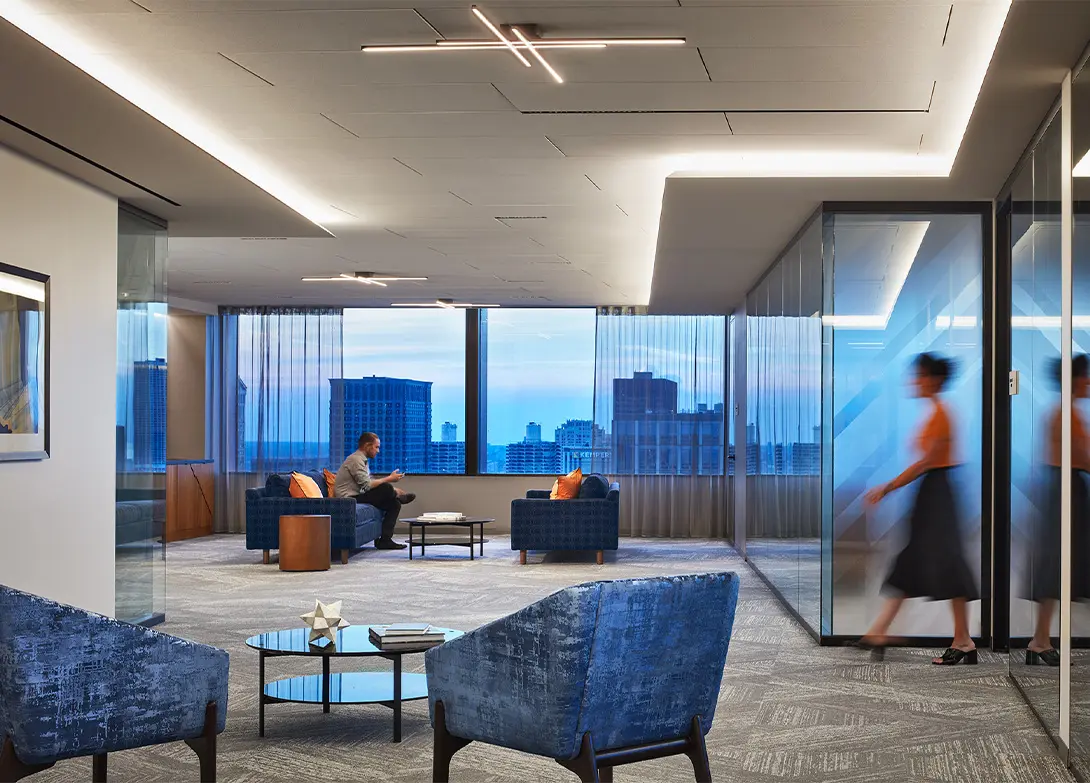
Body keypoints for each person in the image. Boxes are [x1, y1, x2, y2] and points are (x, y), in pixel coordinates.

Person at [859, 353, 980, 665]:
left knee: (946, 563)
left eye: (920, 375)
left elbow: (925, 463)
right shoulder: (935, 413)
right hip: (931, 494)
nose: (915, 381)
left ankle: (962, 640)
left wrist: (887, 488)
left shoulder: (941, 414)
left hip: (937, 495)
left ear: (935, 380)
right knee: (913, 561)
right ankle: (881, 630)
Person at [1026, 355, 1090, 666]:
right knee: (1059, 564)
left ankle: (1040, 639)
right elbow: (1082, 457)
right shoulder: (1067, 415)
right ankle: (1040, 639)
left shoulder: (1063, 412)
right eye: (1085, 375)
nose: (1089, 381)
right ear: (1074, 379)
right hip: (1067, 491)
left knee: (1061, 564)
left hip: (1063, 489)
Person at [334, 432, 416, 550]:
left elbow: (369, 484)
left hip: (359, 494)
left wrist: (392, 488)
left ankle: (385, 540)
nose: (378, 451)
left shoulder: (363, 460)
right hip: (349, 499)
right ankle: (396, 495)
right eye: (376, 447)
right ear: (367, 446)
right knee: (386, 487)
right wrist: (389, 479)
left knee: (394, 504)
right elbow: (367, 485)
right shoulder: (355, 460)